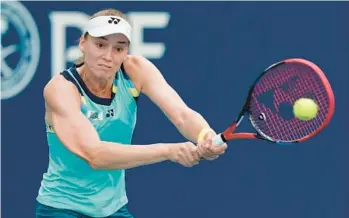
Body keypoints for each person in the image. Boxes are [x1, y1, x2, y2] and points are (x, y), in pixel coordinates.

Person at [35, 8, 227, 218]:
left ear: (126, 51)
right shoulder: (61, 89)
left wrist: (205, 135)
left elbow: (182, 114)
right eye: (100, 45)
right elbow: (95, 155)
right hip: (61, 208)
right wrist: (168, 151)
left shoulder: (135, 70)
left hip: (113, 209)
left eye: (118, 48)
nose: (108, 56)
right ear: (83, 43)